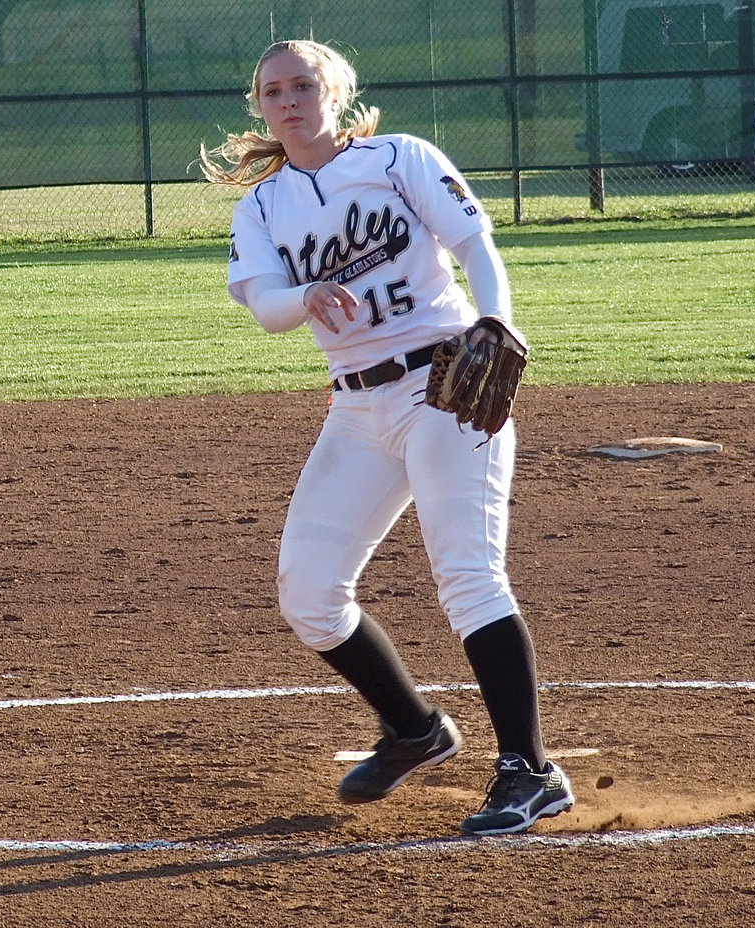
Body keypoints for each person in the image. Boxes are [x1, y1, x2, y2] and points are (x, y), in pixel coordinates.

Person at [200, 39, 574, 837]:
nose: (288, 100)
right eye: (272, 90)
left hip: (444, 384)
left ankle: (530, 772)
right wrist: (306, 294)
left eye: (304, 84)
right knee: (308, 595)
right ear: (259, 106)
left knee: (468, 578)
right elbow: (266, 306)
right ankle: (415, 731)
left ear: (335, 92)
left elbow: (475, 243)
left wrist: (496, 317)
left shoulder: (399, 158)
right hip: (357, 409)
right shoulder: (263, 207)